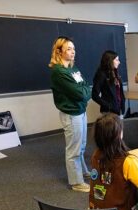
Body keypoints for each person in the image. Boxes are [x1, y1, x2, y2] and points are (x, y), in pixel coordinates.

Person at [49, 36, 91, 192]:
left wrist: (85, 92)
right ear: (59, 51)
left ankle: (83, 172)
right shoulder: (59, 72)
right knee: (73, 149)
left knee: (82, 146)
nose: (73, 52)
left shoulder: (73, 68)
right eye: (68, 49)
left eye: (73, 48)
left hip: (81, 111)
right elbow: (81, 94)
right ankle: (76, 182)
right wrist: (85, 92)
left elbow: (86, 86)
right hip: (72, 114)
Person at [92, 50, 125, 116]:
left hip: (118, 110)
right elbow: (94, 95)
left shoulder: (115, 72)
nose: (119, 62)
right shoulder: (101, 74)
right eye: (117, 60)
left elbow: (119, 92)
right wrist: (108, 106)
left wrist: (123, 105)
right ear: (110, 61)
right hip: (108, 112)